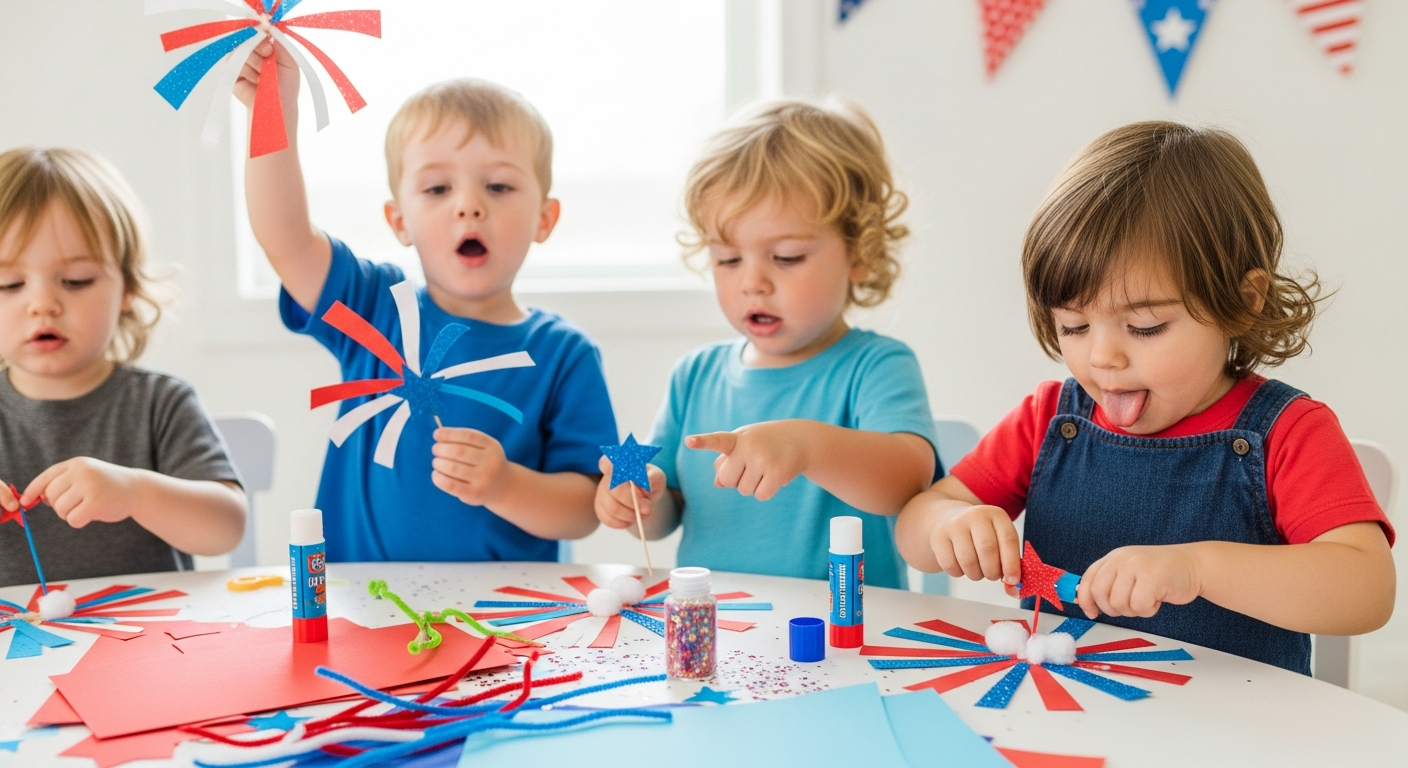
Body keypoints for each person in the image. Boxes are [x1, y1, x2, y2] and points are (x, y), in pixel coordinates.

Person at [896, 121, 1395, 673]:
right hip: (1067, 720)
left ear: (1244, 300)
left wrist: (1199, 569)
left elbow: (1366, 588)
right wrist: (949, 524)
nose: (1103, 358)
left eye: (1146, 326)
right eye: (1074, 326)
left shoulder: (1288, 432)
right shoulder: (1049, 421)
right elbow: (915, 526)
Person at [235, 42, 615, 562]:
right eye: (437, 189)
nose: (468, 206)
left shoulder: (564, 355)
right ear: (399, 221)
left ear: (544, 219)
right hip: (363, 614)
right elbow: (286, 240)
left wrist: (505, 485)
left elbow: (585, 508)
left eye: (499, 186)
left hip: (504, 620)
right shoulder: (375, 308)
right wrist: (273, 116)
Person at [595, 101, 939, 589]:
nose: (752, 282)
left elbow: (907, 483)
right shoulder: (694, 376)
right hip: (721, 632)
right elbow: (666, 513)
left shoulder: (876, 365)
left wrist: (807, 446)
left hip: (846, 634)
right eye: (728, 259)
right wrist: (637, 503)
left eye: (786, 256)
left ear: (859, 253)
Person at [0, 148, 246, 586]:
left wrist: (136, 493)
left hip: (151, 643)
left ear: (129, 287)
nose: (42, 305)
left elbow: (226, 528)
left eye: (76, 281)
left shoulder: (160, 404)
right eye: (10, 284)